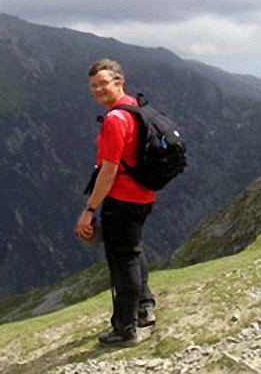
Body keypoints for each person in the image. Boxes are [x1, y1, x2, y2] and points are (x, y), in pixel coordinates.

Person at [76, 58, 156, 346]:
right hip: (143, 194)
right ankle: (145, 307)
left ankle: (125, 328)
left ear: (119, 82)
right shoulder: (134, 108)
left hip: (121, 199)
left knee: (122, 262)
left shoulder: (114, 120)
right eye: (93, 86)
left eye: (103, 83)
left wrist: (89, 210)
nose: (97, 90)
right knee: (133, 251)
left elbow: (108, 171)